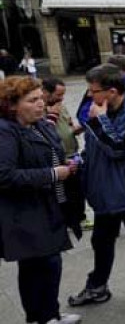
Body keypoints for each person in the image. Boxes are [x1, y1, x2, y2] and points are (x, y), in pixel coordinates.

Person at [67, 64, 125, 310]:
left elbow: (119, 148)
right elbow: (94, 147)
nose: (89, 95)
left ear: (111, 91)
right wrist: (80, 161)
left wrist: (100, 122)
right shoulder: (98, 111)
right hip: (104, 191)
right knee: (101, 241)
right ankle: (97, 286)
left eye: (93, 90)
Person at [0, 76, 82, 324]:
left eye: (40, 99)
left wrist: (64, 164)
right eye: (32, 100)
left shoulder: (40, 125)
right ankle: (41, 317)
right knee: (42, 265)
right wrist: (53, 173)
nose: (40, 104)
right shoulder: (6, 131)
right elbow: (5, 175)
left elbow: (52, 153)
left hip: (50, 204)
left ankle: (48, 314)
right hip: (24, 211)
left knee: (45, 265)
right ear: (12, 104)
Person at [42, 78, 87, 235]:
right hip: (56, 160)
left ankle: (78, 218)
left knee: (77, 191)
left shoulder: (62, 107)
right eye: (58, 94)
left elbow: (69, 126)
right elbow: (45, 134)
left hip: (71, 154)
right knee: (62, 194)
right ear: (46, 92)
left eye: (63, 94)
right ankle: (65, 220)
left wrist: (77, 129)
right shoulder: (40, 111)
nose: (61, 98)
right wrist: (52, 116)